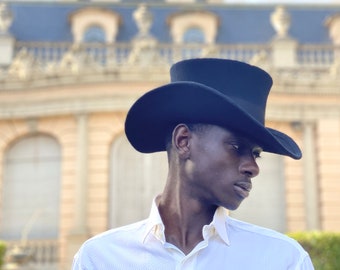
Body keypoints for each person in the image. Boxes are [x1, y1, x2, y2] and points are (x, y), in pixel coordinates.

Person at [72, 58, 314, 269]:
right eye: (236, 147)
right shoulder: (100, 259)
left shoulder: (283, 260)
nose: (253, 167)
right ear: (184, 141)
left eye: (256, 153)